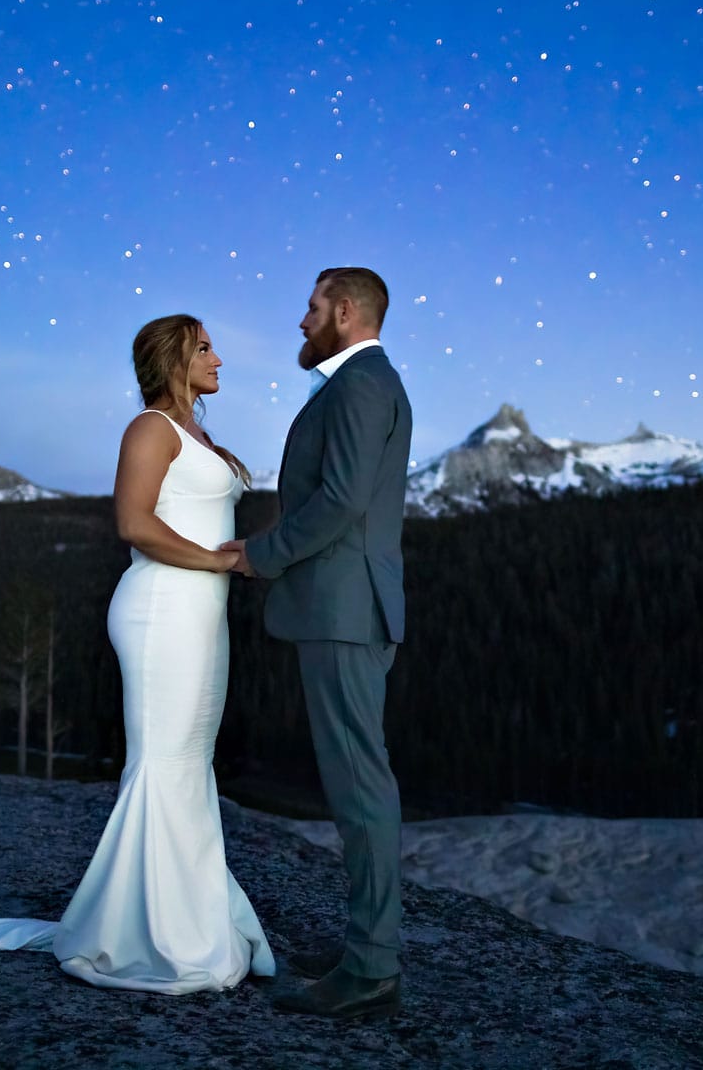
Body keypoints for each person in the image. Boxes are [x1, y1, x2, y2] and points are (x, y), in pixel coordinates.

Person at [0, 315, 275, 994]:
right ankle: (144, 933)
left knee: (188, 762)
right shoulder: (151, 429)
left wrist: (225, 566)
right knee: (162, 760)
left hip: (199, 613)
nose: (220, 358)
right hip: (162, 610)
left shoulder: (196, 434)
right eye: (206, 347)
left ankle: (188, 921)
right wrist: (221, 561)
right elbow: (134, 523)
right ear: (173, 359)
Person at [222, 266, 412, 1020]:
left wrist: (258, 556)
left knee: (361, 787)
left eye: (310, 308)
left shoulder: (362, 382)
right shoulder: (358, 383)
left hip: (344, 611)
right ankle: (366, 953)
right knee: (358, 783)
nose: (300, 321)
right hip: (342, 609)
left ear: (343, 310)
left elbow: (340, 501)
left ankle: (371, 969)